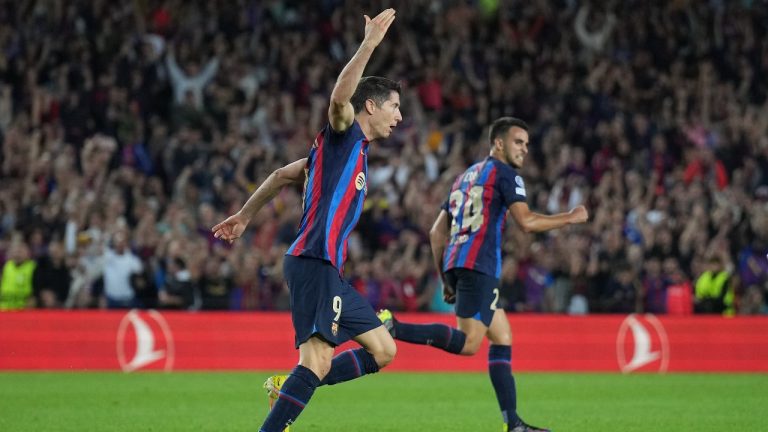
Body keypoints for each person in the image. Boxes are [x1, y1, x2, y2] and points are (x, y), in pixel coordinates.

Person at [211, 9, 401, 432]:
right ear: (370, 106)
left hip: (328, 268)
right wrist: (369, 44)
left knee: (383, 349)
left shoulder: (344, 157)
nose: (399, 117)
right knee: (316, 360)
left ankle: (292, 385)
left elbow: (281, 176)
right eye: (394, 107)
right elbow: (338, 100)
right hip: (314, 259)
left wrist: (244, 215)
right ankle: (286, 404)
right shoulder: (343, 135)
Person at [378, 117, 589, 432]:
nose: (525, 150)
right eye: (519, 142)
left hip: (459, 262)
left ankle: (513, 423)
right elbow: (527, 222)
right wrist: (570, 218)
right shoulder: (505, 175)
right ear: (499, 143)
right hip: (480, 266)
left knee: (502, 336)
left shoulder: (464, 177)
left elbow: (437, 232)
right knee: (469, 344)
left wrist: (445, 277)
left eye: (527, 144)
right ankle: (394, 327)